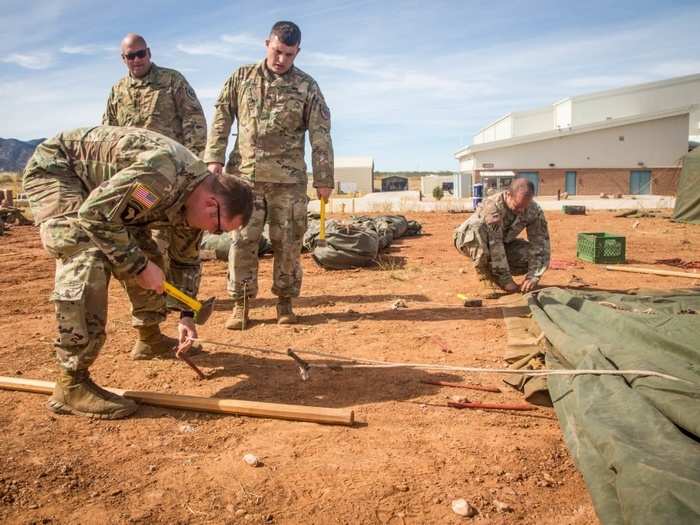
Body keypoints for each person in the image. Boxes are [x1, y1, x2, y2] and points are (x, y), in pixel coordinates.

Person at [23, 126, 253, 419]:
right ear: (212, 203)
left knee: (148, 255)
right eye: (219, 227)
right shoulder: (161, 175)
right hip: (60, 172)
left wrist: (186, 315)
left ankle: (150, 338)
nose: (213, 232)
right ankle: (71, 382)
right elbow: (94, 216)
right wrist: (139, 267)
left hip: (106, 195)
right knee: (86, 251)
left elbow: (186, 260)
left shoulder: (193, 202)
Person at [203, 20, 334, 329]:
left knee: (288, 242)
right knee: (242, 241)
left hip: (288, 183)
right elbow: (221, 116)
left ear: (297, 52)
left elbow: (320, 134)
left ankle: (285, 302)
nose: (281, 60)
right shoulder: (241, 78)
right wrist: (213, 159)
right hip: (244, 179)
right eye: (277, 51)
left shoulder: (307, 86)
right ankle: (241, 304)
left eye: (289, 55)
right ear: (267, 44)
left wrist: (324, 178)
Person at [103, 33, 207, 156]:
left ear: (149, 53)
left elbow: (194, 120)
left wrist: (194, 162)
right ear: (123, 59)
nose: (136, 60)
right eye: (130, 56)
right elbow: (108, 132)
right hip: (130, 165)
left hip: (170, 164)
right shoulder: (117, 90)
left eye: (140, 54)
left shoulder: (172, 80)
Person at [453, 178, 550, 296]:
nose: (522, 210)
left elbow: (540, 243)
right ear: (508, 195)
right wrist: (507, 281)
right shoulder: (492, 207)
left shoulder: (533, 209)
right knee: (477, 228)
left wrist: (534, 276)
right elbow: (495, 244)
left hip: (503, 243)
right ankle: (486, 277)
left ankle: (497, 273)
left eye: (525, 206)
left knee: (529, 255)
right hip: (469, 240)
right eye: (518, 206)